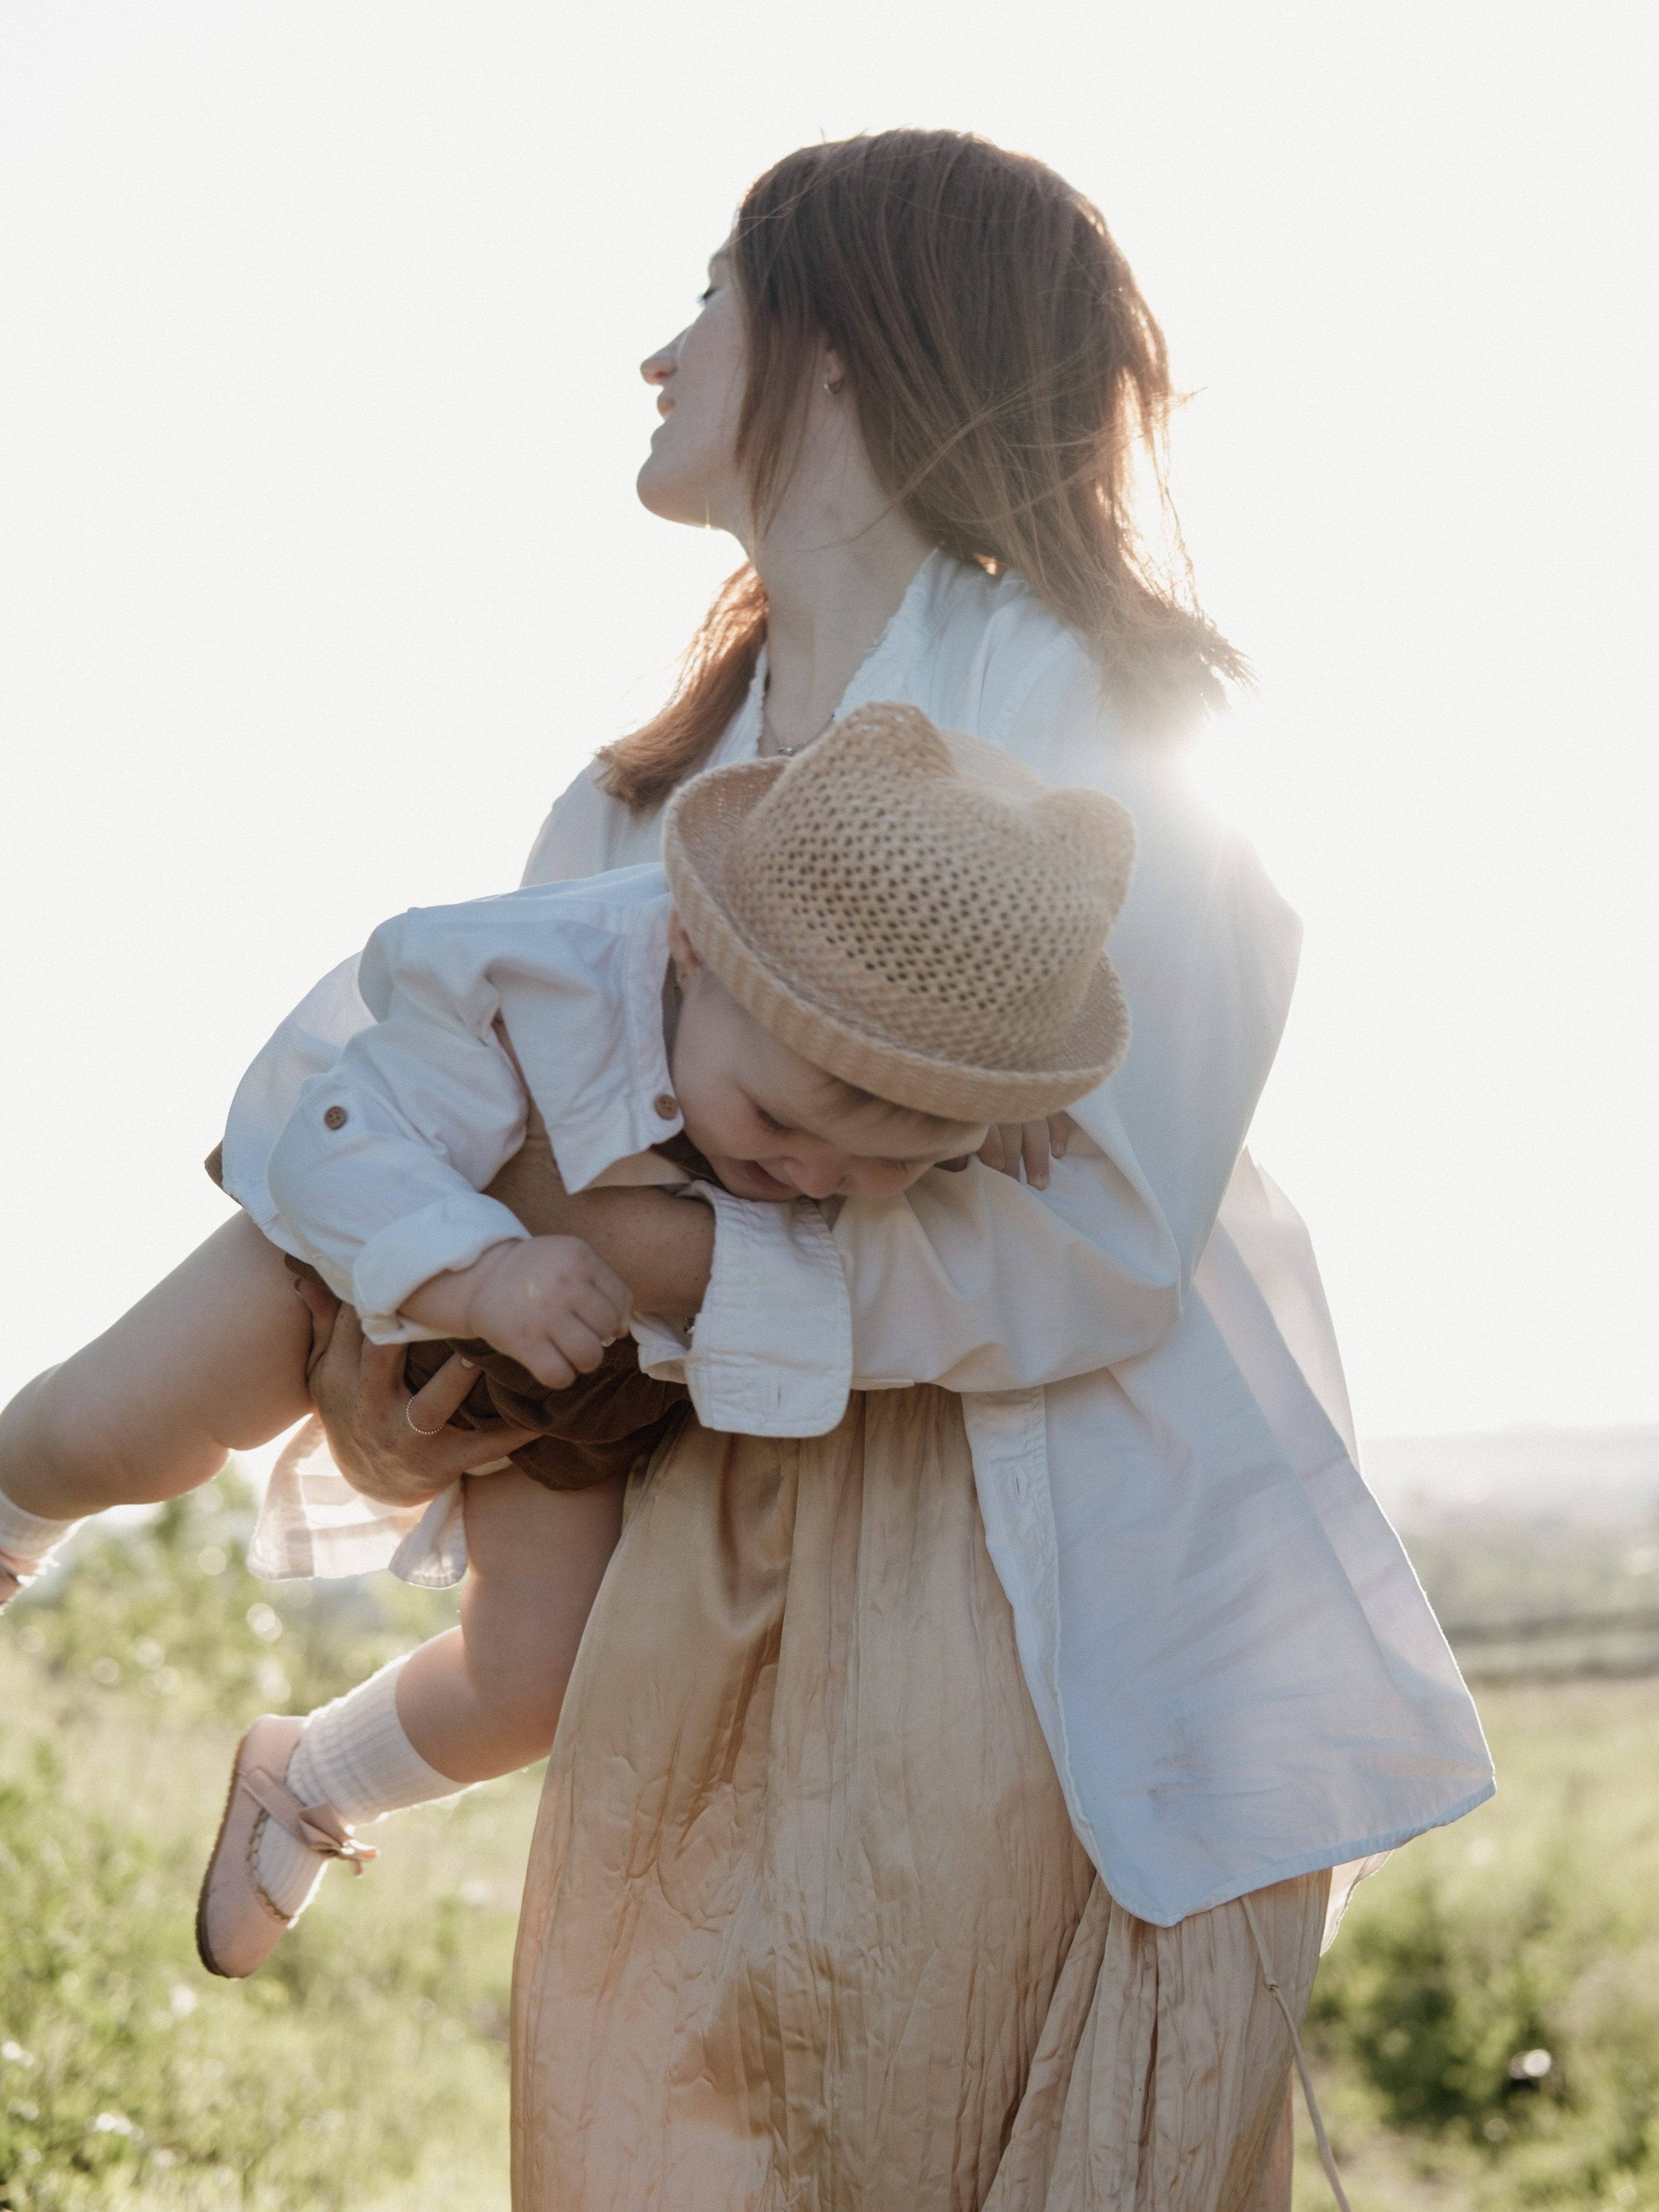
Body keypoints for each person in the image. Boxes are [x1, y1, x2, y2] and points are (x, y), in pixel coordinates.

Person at [278, 132, 1492, 2209]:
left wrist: (662, 1264)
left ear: (841, 338)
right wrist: (440, 1354)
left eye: (712, 293)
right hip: (704, 1569)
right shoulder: (636, 790)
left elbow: (1109, 1233)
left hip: (1007, 1563)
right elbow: (495, 1162)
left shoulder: (1112, 718)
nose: (655, 354)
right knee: (662, 2133)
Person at [0, 706, 1137, 1986]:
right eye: (774, 1122)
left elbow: (956, 1174)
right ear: (696, 956)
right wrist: (478, 1272)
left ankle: (312, 1776)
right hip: (362, 1260)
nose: (816, 1177)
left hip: (591, 1375)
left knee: (539, 1679)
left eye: (897, 1165)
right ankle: (9, 1514)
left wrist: (992, 1122)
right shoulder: (532, 983)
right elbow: (337, 1135)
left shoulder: (875, 1067)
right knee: (120, 1433)